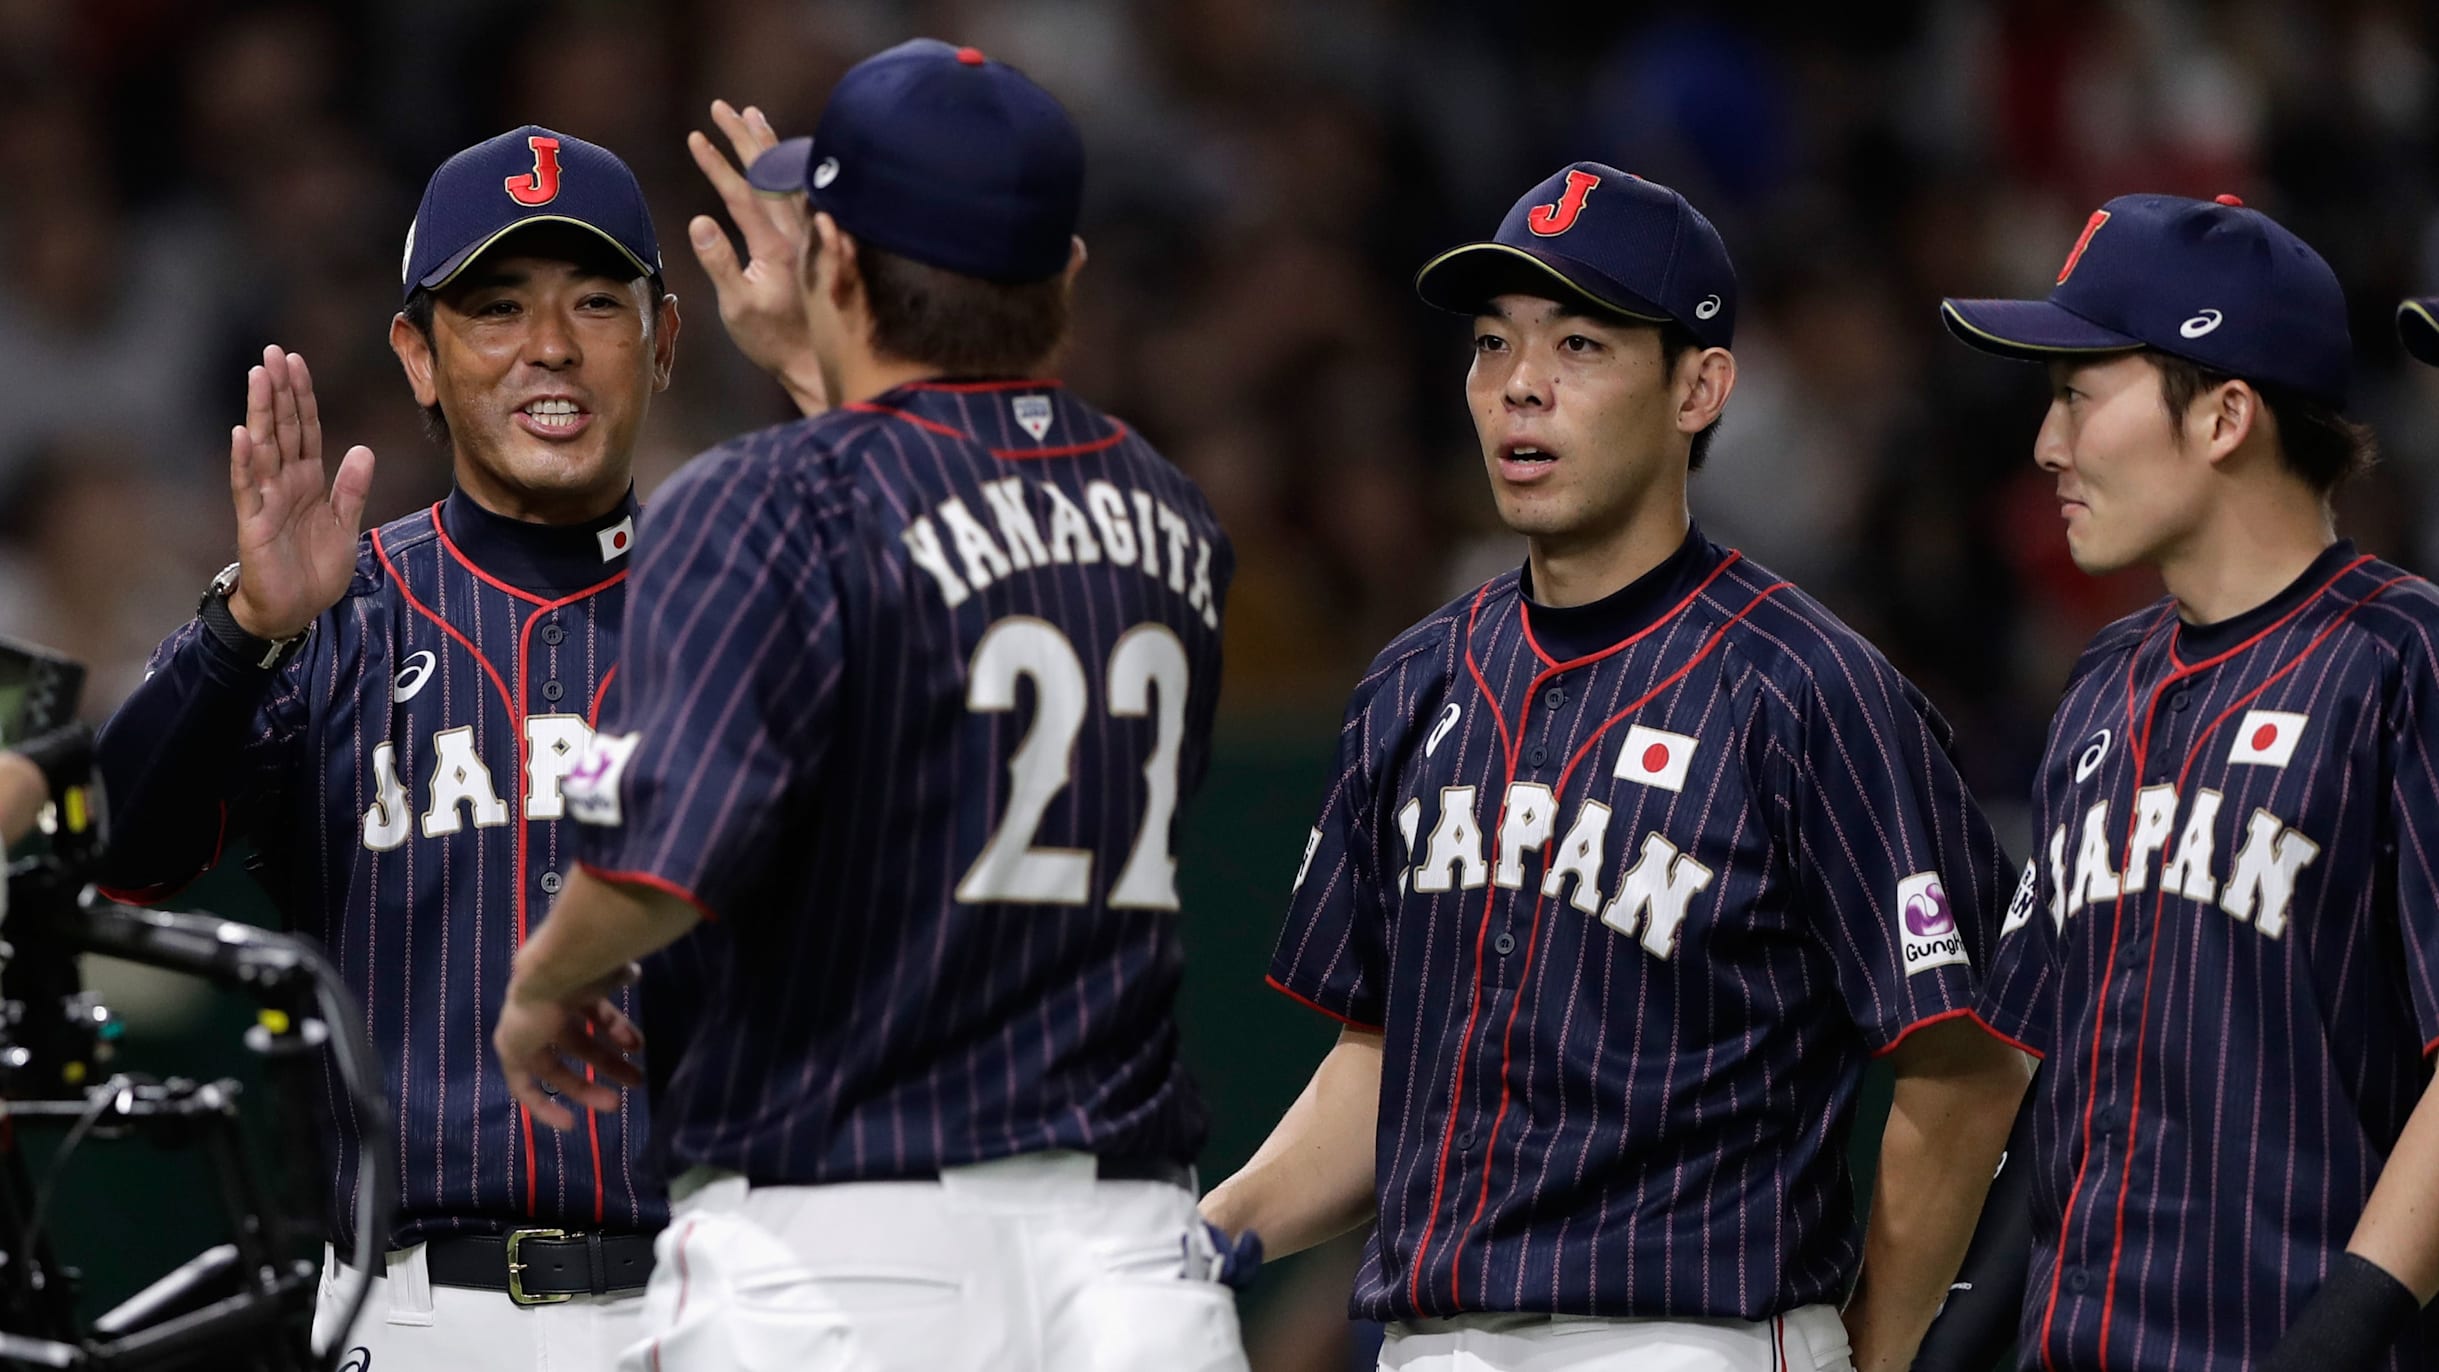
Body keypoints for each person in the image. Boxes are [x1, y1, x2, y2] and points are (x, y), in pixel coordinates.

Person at [494, 39, 1252, 1372]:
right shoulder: (1166, 512)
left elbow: (664, 865)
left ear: (834, 261)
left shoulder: (766, 498)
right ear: (1064, 278)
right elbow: (942, 521)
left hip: (843, 1251)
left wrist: (546, 982)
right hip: (1131, 1258)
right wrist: (826, 374)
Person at [1199, 161, 2030, 1372]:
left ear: (1699, 386)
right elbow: (1385, 1068)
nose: (1519, 385)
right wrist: (1214, 1226)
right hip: (1434, 1340)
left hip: (1685, 1332)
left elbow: (1966, 1061)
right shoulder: (1416, 679)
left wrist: (1879, 1343)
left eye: (1579, 344)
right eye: (1493, 344)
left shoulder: (1807, 687)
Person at [90, 126, 688, 1371]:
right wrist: (242, 630)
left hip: (718, 1292)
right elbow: (120, 855)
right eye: (496, 307)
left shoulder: (751, 616)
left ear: (663, 341)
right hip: (421, 1314)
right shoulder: (328, 613)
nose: (552, 347)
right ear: (418, 354)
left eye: (595, 300)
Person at [1937, 194, 2439, 1371]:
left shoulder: (2401, 662)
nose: (2048, 445)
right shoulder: (2104, 679)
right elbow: (2050, 1076)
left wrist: (2334, 1340)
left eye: (2078, 392)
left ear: (2224, 415)